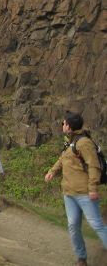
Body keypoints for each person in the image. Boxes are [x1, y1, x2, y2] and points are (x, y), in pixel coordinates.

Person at [45, 111, 107, 266]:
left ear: (69, 127)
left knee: (96, 224)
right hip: (69, 193)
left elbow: (94, 165)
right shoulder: (70, 143)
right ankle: (81, 258)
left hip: (84, 193)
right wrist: (52, 171)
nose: (62, 126)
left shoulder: (84, 143)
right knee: (73, 226)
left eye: (64, 123)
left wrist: (93, 188)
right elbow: (62, 159)